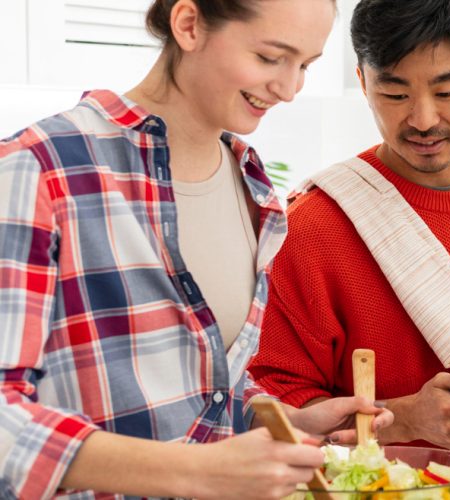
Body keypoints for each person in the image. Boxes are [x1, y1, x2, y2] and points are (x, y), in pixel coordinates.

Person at [0, 1, 396, 498]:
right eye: (271, 57)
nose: (290, 89)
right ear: (188, 24)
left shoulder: (253, 188)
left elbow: (204, 386)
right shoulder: (39, 170)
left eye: (305, 66)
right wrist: (198, 470)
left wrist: (276, 421)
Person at [247, 0, 450, 498]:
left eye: (447, 90)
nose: (422, 119)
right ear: (363, 83)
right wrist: (400, 419)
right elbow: (272, 406)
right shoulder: (309, 229)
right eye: (394, 92)